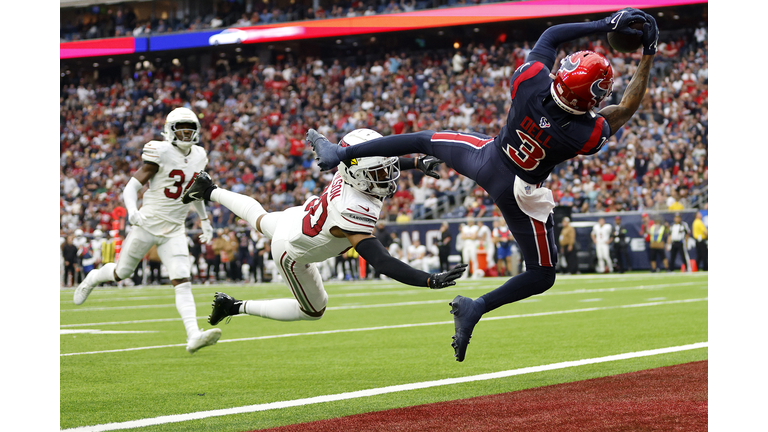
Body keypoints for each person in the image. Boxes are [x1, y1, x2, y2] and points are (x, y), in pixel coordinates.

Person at [308, 7, 657, 361]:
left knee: (423, 140)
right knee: (542, 274)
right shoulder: (584, 133)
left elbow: (552, 35)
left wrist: (604, 24)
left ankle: (341, 153)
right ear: (592, 98)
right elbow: (625, 107)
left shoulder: (530, 81)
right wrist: (648, 53)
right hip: (518, 190)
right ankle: (477, 307)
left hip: (486, 157)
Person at [180, 128, 467, 326]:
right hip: (292, 250)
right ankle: (235, 306)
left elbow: (372, 158)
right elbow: (382, 261)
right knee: (313, 311)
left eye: (389, 167)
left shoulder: (350, 170)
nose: (389, 175)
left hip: (300, 217)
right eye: (381, 172)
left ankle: (209, 190)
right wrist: (427, 279)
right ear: (360, 175)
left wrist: (414, 161)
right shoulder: (354, 207)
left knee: (259, 217)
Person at [73, 107, 222, 355]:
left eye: (190, 128)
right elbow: (131, 187)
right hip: (147, 224)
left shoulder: (199, 155)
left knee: (183, 280)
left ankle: (193, 335)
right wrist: (132, 209)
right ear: (170, 130)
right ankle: (93, 278)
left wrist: (204, 219)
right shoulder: (160, 151)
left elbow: (195, 189)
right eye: (181, 128)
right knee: (122, 273)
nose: (186, 133)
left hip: (175, 229)